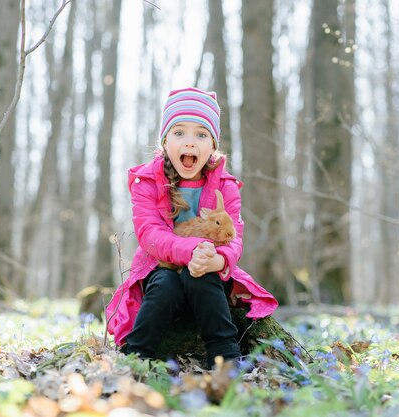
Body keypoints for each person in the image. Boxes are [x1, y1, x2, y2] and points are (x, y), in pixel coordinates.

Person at [105, 87, 278, 369]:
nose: (189, 142)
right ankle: (137, 355)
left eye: (201, 134)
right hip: (160, 269)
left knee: (202, 276)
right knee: (165, 284)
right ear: (164, 141)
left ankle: (225, 355)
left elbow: (235, 237)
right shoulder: (148, 181)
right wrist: (193, 250)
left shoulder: (226, 186)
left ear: (212, 145)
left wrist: (218, 260)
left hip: (208, 273)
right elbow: (149, 234)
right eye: (179, 132)